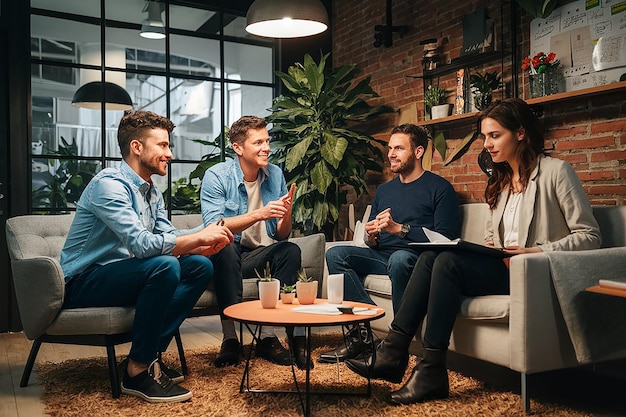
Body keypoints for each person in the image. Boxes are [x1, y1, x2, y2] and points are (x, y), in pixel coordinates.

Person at [345, 98, 602, 405]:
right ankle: (405, 355)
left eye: (494, 136)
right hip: (503, 267)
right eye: (484, 137)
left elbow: (590, 236)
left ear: (520, 133)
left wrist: (535, 251)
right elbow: (494, 240)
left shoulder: (557, 172)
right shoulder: (502, 181)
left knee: (446, 262)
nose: (487, 144)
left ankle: (413, 362)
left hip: (534, 271)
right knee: (432, 257)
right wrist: (489, 250)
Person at [60, 110, 234, 403]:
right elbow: (142, 245)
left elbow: (169, 238)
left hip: (124, 274)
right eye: (163, 145)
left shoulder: (151, 191)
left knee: (199, 266)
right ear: (136, 147)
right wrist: (197, 237)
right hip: (83, 281)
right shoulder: (109, 185)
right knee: (163, 266)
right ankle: (138, 372)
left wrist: (201, 244)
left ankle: (147, 356)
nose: (170, 154)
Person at [320, 123, 458, 364]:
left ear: (418, 152)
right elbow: (374, 237)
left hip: (415, 260)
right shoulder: (385, 190)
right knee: (336, 255)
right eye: (390, 148)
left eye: (399, 148)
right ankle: (363, 331)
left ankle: (397, 343)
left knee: (400, 258)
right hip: (383, 256)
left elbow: (445, 239)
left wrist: (401, 230)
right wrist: (371, 237)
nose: (391, 154)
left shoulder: (440, 188)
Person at [200, 115, 310, 369]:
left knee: (290, 250)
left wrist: (287, 211)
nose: (266, 148)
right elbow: (215, 228)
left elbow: (281, 234)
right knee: (227, 245)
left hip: (255, 256)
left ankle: (267, 337)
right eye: (258, 142)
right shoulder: (217, 176)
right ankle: (230, 339)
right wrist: (259, 213)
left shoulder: (274, 174)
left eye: (267, 141)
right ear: (238, 148)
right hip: (224, 253)